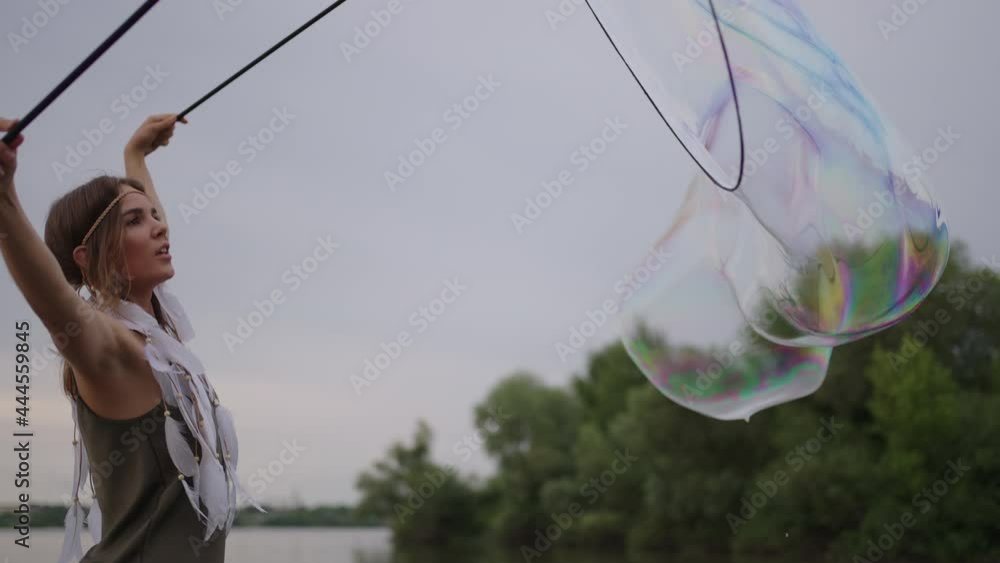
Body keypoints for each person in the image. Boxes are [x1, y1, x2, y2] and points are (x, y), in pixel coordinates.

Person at [0, 114, 262, 562]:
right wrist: (3, 197)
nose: (160, 227)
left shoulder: (162, 336)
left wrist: (135, 155)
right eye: (135, 221)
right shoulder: (113, 348)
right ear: (88, 255)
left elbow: (154, 224)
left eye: (154, 215)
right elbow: (53, 300)